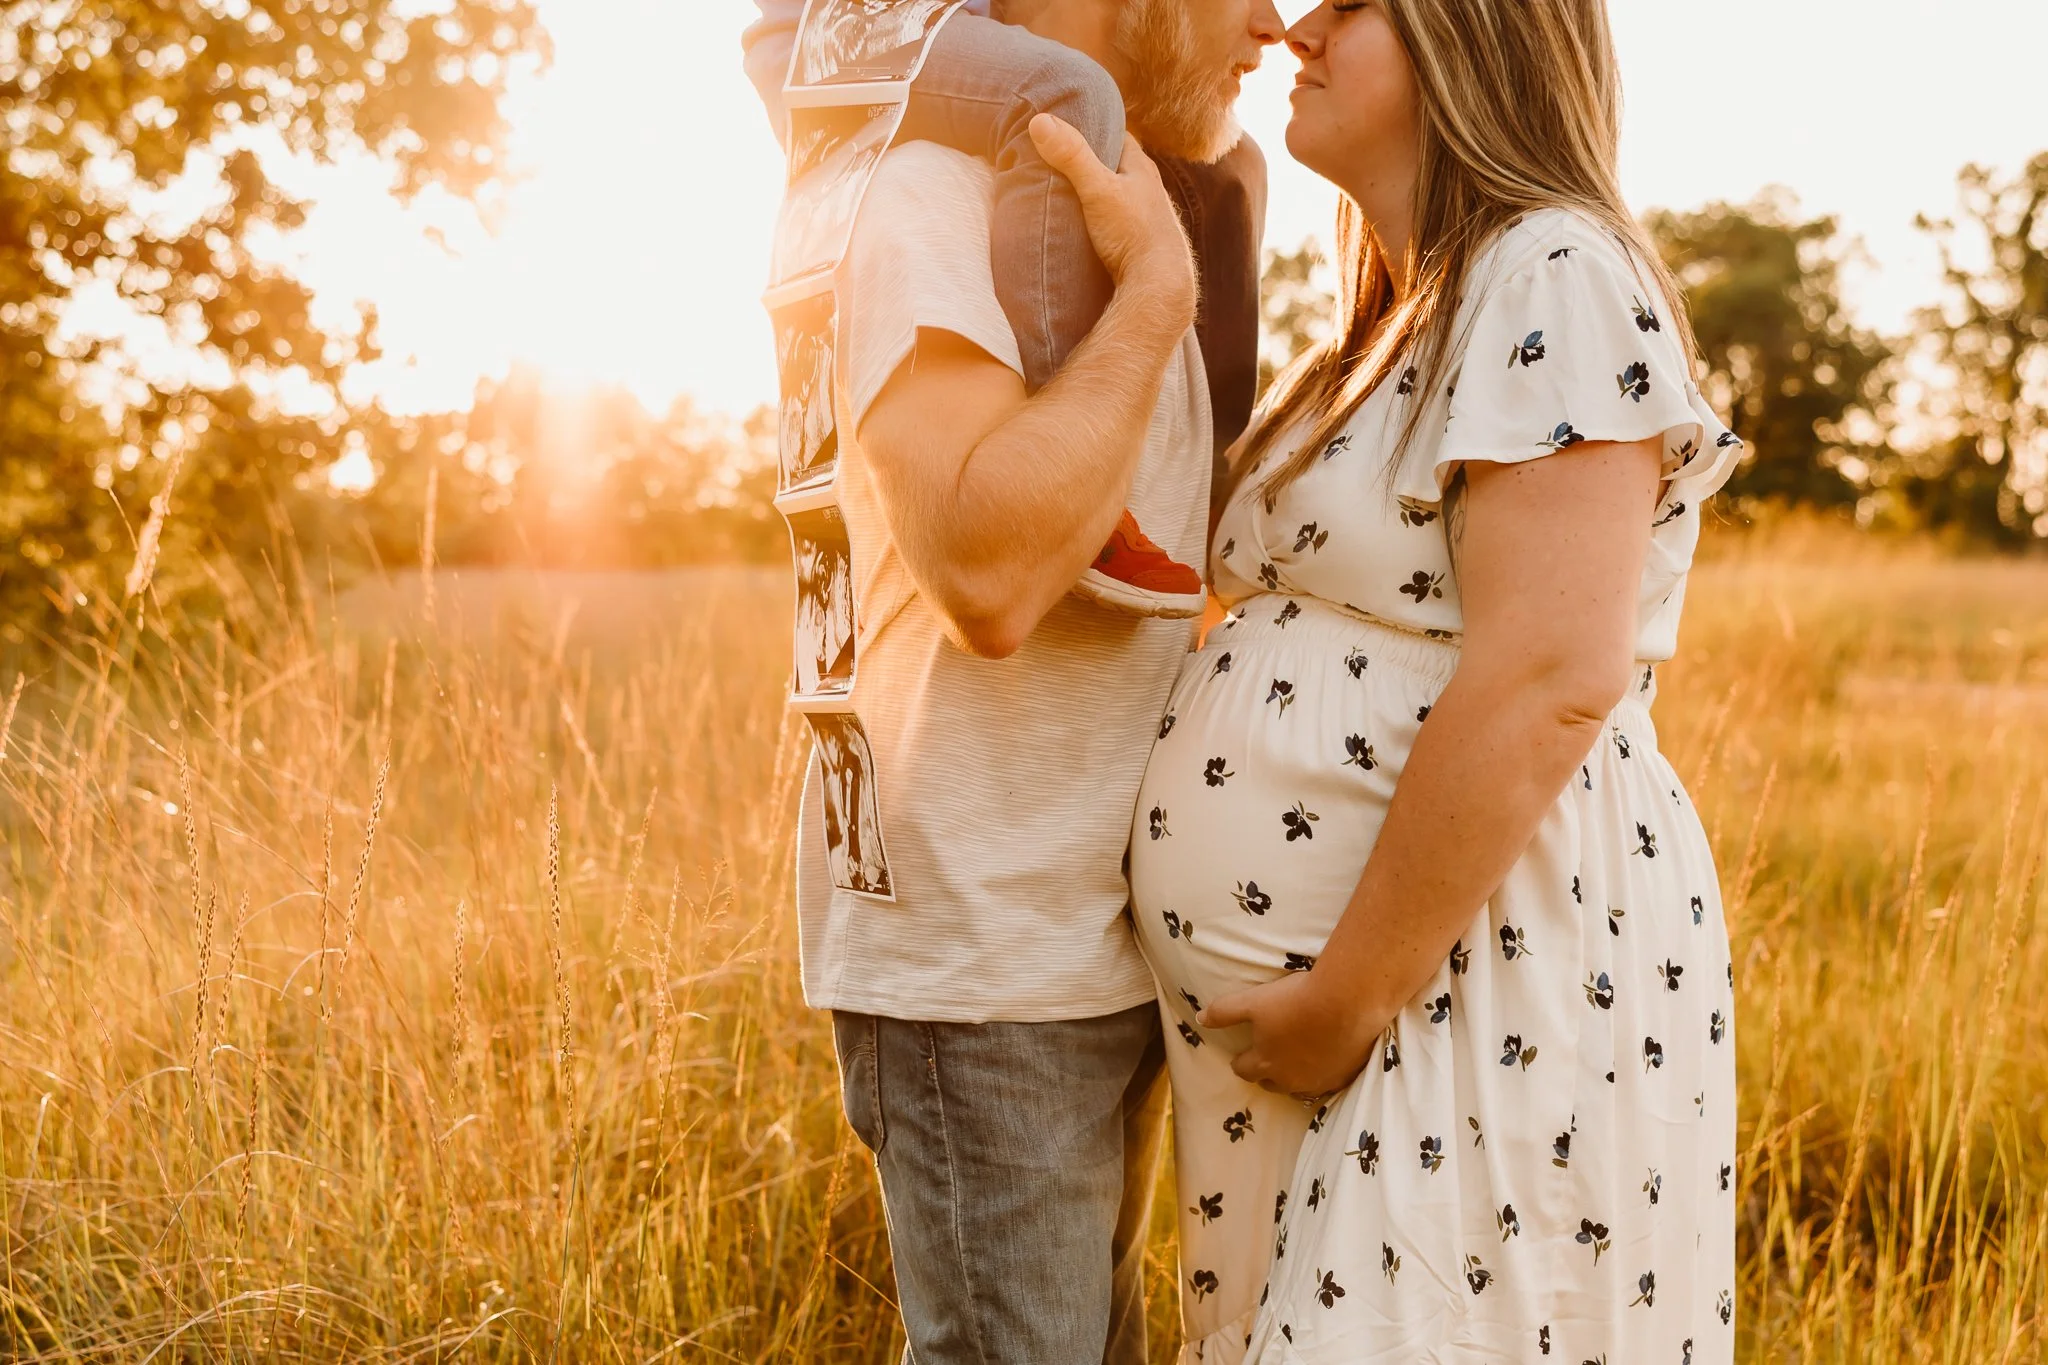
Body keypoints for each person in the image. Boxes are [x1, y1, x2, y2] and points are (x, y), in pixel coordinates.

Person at [1128, 1, 1745, 1360]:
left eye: (1350, 4)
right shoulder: (1399, 311)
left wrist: (1341, 1000)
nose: (1295, 27)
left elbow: (1549, 678)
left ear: (1472, 36)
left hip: (1462, 988)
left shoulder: (1556, 271)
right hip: (1351, 1017)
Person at [748, 0, 1286, 1361]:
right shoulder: (923, 192)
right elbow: (988, 576)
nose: (1274, 27)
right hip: (983, 960)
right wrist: (1161, 300)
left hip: (1094, 938)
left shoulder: (1128, 195)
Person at [743, 0, 1271, 610]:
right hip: (846, 33)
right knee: (1066, 91)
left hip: (928, 32)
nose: (1275, 25)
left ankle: (1194, 513)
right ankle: (1064, 474)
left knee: (1231, 164)